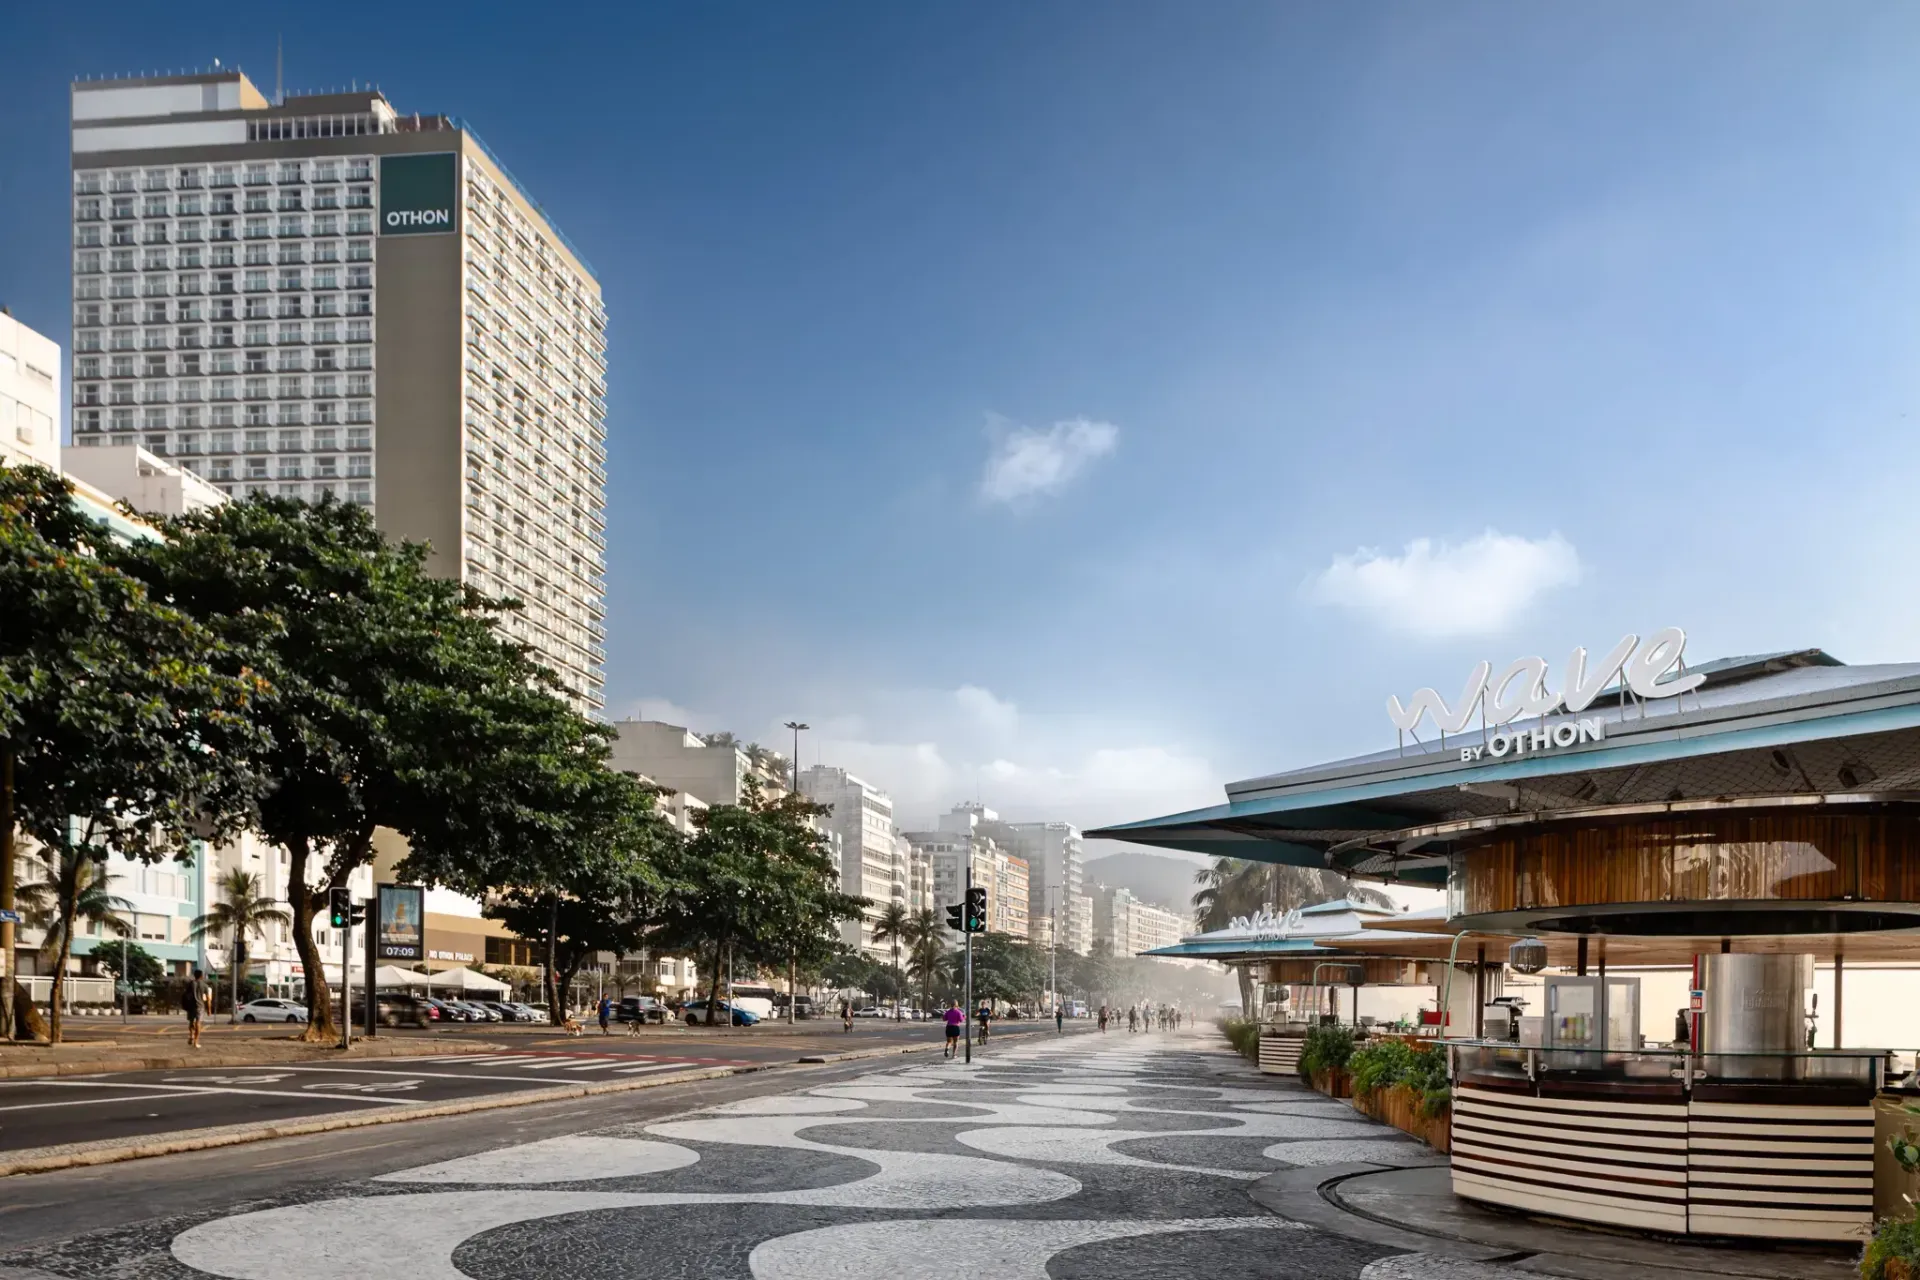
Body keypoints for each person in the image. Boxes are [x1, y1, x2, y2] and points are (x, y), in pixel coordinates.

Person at [183, 967, 210, 1048]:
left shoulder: (190, 984)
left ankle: (191, 1035)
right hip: (200, 1006)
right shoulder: (205, 986)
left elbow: (186, 994)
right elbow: (208, 999)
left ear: (194, 975)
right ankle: (196, 1042)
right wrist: (209, 1009)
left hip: (191, 1006)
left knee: (191, 1022)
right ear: (201, 976)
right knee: (198, 1023)